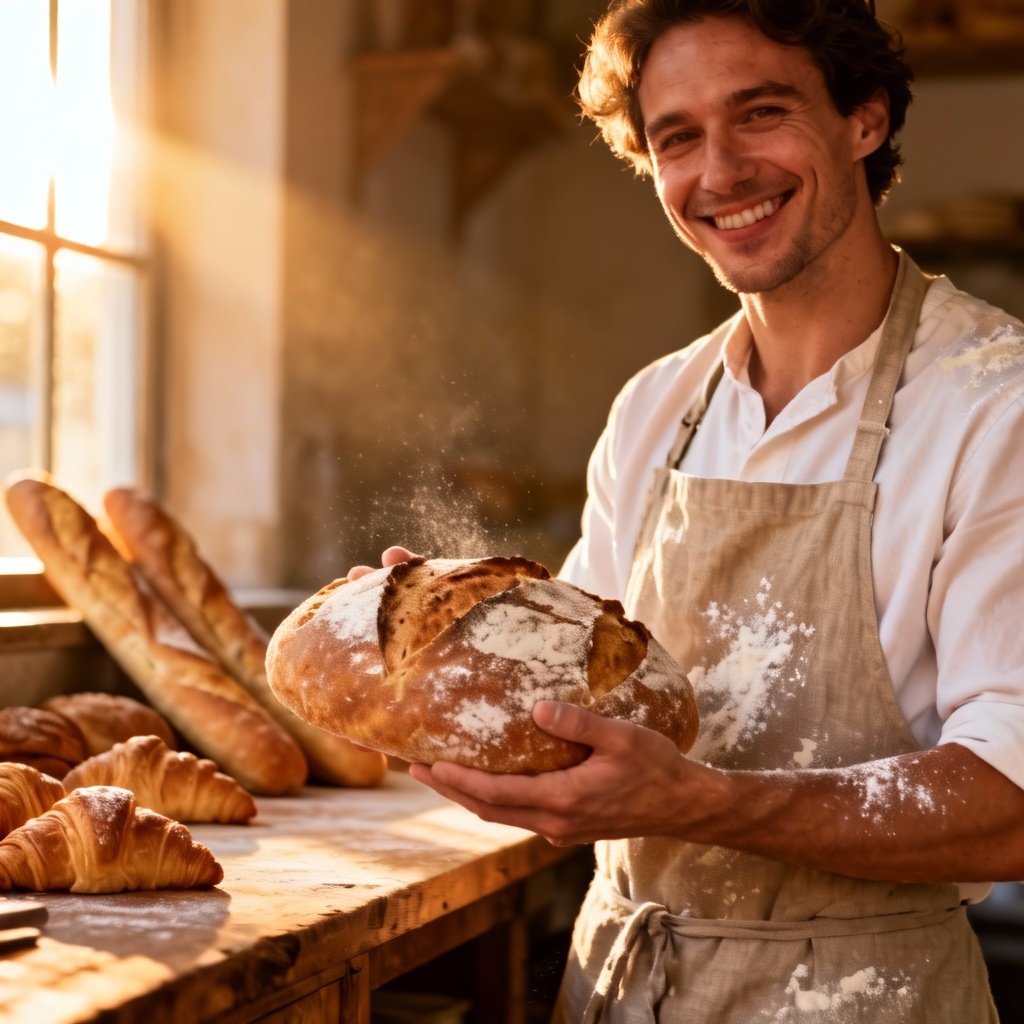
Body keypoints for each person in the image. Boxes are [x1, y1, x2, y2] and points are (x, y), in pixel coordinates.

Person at [353, 0, 1024, 1019]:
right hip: (626, 984)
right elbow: (578, 710)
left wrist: (699, 802)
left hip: (868, 997)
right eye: (676, 137)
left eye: (760, 113)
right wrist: (449, 662)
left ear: (864, 120)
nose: (718, 173)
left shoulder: (994, 403)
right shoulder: (656, 406)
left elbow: (1009, 806)